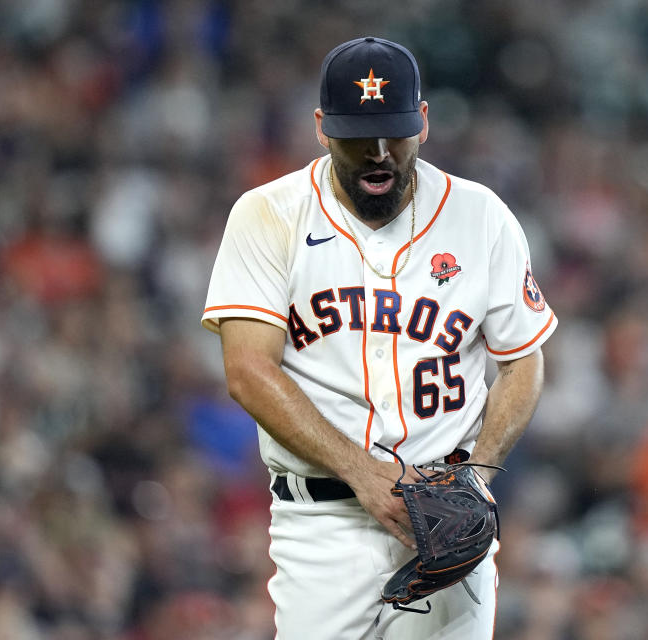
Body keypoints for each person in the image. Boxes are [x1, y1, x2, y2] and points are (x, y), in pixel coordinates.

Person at [201, 36, 557, 639]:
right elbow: (247, 371)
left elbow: (524, 363)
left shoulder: (482, 217)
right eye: (358, 136)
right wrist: (365, 476)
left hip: (447, 519)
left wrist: (480, 474)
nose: (380, 153)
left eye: (395, 132)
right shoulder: (269, 214)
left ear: (423, 121)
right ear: (321, 128)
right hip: (322, 525)